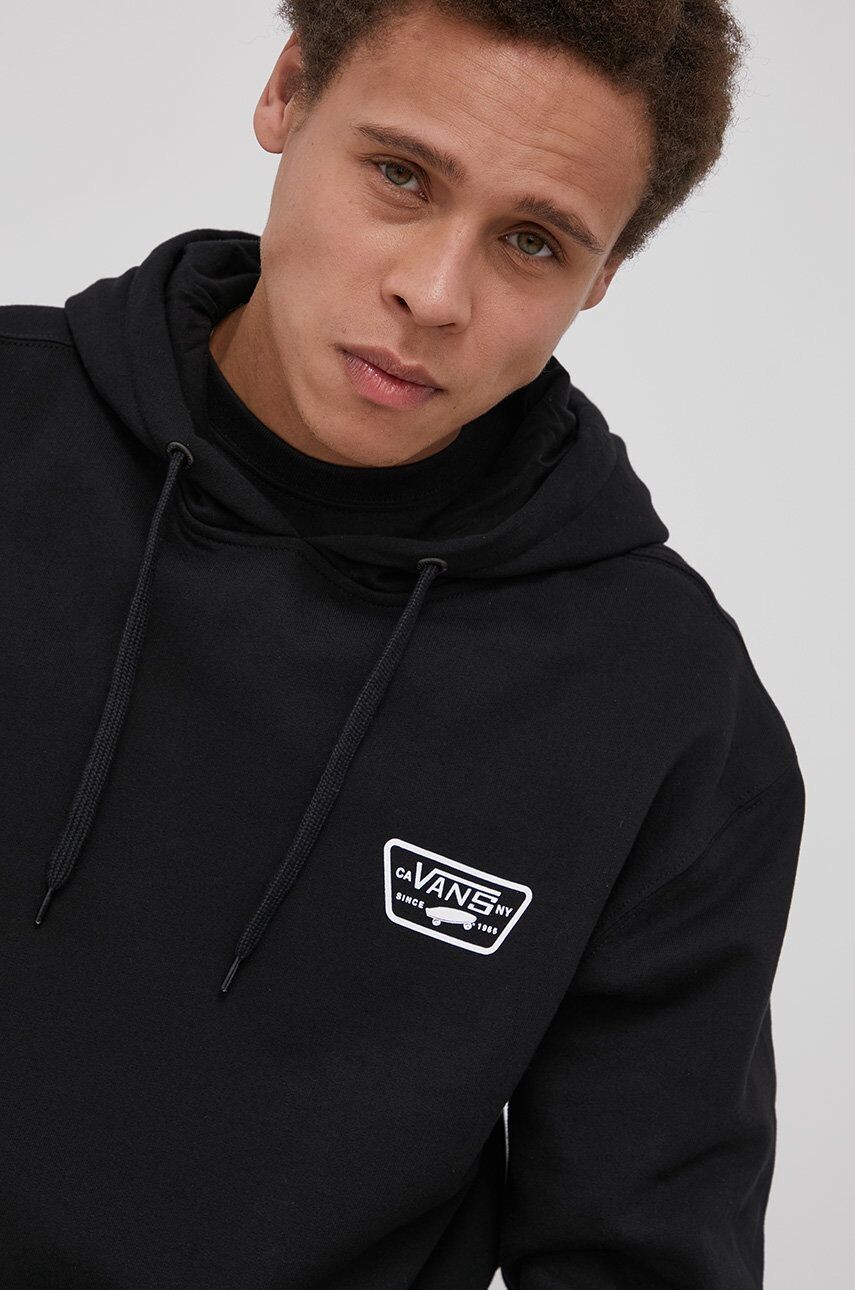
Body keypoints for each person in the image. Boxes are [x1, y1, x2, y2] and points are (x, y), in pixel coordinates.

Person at [0, 1, 806, 1286]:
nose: (432, 294)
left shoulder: (664, 708)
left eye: (533, 241)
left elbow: (639, 1254)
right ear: (286, 92)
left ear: (601, 277)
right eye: (402, 175)